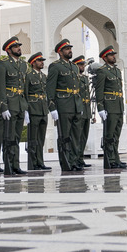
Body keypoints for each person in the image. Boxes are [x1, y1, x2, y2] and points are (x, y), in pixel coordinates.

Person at [47, 39, 84, 172]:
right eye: (67, 49)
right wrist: (52, 107)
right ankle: (66, 162)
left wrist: (79, 105)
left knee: (75, 136)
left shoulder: (74, 67)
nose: (70, 51)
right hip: (63, 105)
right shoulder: (55, 66)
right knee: (65, 137)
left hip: (75, 105)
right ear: (60, 52)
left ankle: (74, 160)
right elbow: (50, 88)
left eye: (70, 48)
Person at [0, 36, 28, 175]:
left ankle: (16, 165)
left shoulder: (23, 64)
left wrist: (26, 107)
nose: (19, 48)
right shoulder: (3, 64)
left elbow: (24, 86)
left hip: (20, 104)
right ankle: (8, 165)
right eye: (15, 47)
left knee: (17, 137)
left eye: (19, 46)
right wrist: (3, 106)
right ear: (8, 50)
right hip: (10, 103)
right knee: (9, 137)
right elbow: (0, 87)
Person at [94, 46, 127, 169]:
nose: (114, 56)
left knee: (116, 135)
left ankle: (116, 158)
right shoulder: (102, 71)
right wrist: (101, 107)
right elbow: (99, 90)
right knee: (109, 134)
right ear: (105, 57)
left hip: (118, 106)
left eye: (114, 54)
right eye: (111, 55)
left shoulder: (117, 71)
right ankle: (110, 159)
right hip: (109, 106)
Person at [25, 51, 51, 171]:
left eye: (42, 61)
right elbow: (25, 94)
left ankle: (40, 161)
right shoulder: (29, 76)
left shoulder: (44, 76)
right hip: (33, 109)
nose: (42, 63)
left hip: (43, 109)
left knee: (41, 138)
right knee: (33, 138)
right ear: (33, 62)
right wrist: (26, 110)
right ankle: (32, 162)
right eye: (39, 61)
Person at [73, 55, 92, 167]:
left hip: (86, 109)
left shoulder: (84, 78)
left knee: (84, 136)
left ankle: (80, 158)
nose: (82, 66)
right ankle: (75, 159)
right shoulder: (75, 78)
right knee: (77, 136)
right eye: (80, 64)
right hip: (79, 109)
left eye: (83, 64)